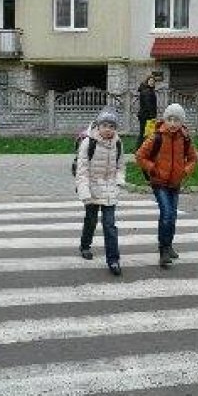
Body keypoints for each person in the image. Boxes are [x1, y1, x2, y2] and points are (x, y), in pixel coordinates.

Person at [135, 103, 198, 268]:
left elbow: (193, 158)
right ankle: (163, 250)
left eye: (176, 120)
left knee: (172, 216)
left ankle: (169, 245)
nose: (172, 123)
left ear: (181, 122)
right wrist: (152, 168)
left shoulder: (184, 138)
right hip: (159, 183)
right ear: (165, 120)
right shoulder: (157, 136)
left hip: (175, 183)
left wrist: (185, 171)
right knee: (167, 214)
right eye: (169, 119)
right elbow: (140, 155)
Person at [75, 106, 126, 276]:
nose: (108, 129)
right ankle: (85, 245)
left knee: (109, 225)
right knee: (90, 220)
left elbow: (121, 166)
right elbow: (82, 171)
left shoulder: (118, 143)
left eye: (112, 126)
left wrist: (119, 182)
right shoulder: (88, 142)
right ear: (98, 125)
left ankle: (113, 260)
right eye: (105, 125)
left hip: (110, 189)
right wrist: (84, 193)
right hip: (91, 188)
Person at [136, 75, 157, 150]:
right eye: (150, 81)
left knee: (146, 133)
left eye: (153, 81)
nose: (152, 83)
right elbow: (148, 104)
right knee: (144, 133)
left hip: (145, 115)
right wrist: (152, 116)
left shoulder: (148, 90)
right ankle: (139, 149)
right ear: (147, 82)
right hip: (146, 116)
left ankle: (142, 149)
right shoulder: (146, 91)